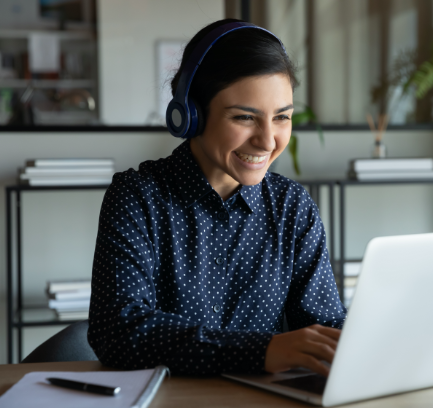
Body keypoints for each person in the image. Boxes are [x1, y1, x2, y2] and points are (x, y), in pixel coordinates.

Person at [87, 18, 346, 377]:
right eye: (245, 117)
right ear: (190, 115)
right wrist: (261, 352)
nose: (268, 141)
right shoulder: (138, 197)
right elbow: (119, 331)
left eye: (282, 117)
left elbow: (326, 324)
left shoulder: (292, 206)